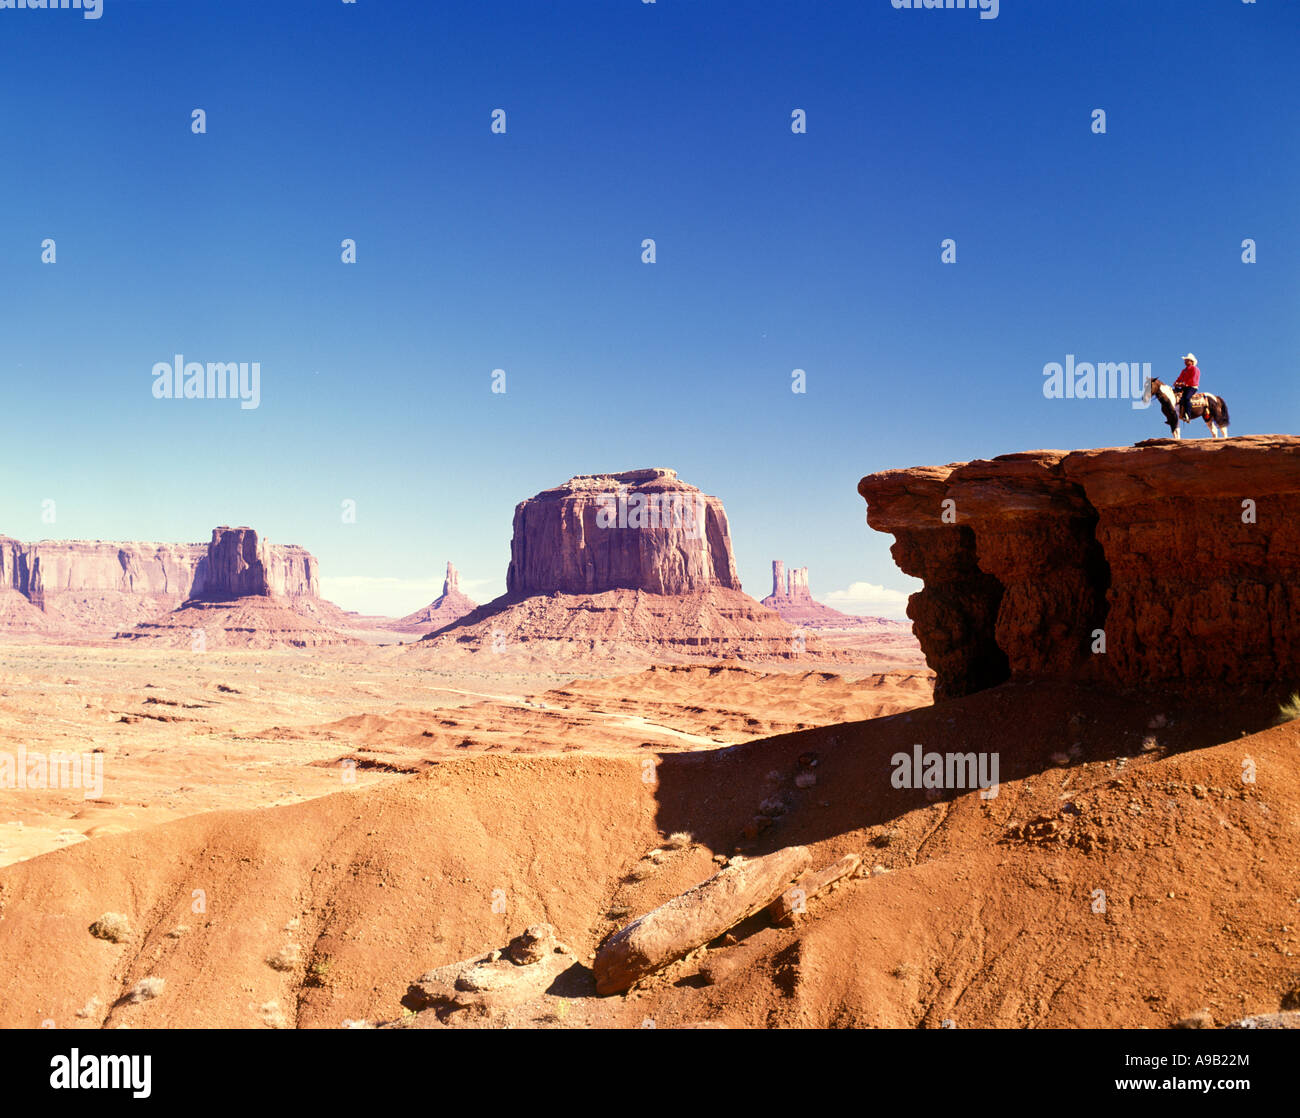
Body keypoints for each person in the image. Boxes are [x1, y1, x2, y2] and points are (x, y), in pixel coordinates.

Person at [1173, 353, 1201, 420]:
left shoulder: (1195, 369)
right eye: (1185, 360)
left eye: (1186, 360)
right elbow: (1179, 378)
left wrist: (1184, 384)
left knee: (1186, 398)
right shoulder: (1184, 370)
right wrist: (1176, 383)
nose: (1185, 361)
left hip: (1192, 387)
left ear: (1191, 361)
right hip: (1184, 387)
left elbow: (1194, 379)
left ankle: (1188, 414)